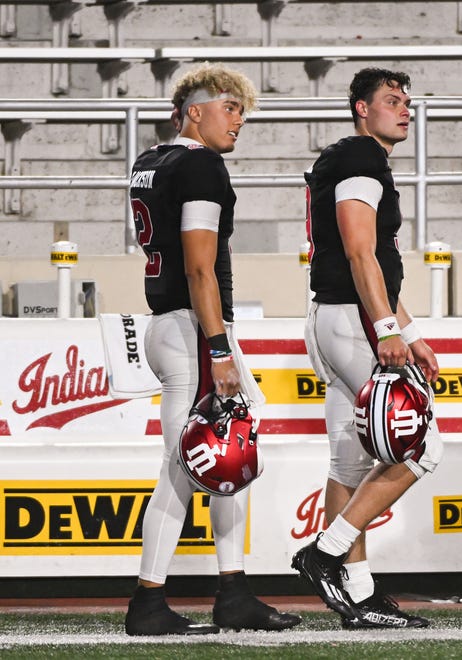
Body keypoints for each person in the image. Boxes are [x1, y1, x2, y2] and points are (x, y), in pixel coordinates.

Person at [125, 62, 301, 636]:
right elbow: (200, 267)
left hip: (171, 326)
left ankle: (233, 591)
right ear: (194, 111)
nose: (239, 121)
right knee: (184, 469)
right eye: (229, 108)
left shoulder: (152, 160)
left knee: (234, 459)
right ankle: (149, 602)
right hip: (194, 331)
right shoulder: (201, 164)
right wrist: (219, 348)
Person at [292, 67, 444, 628]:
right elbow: (361, 255)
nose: (404, 109)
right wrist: (386, 330)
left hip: (332, 317)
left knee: (349, 462)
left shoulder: (352, 157)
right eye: (390, 100)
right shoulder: (361, 158)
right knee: (422, 447)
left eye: (406, 101)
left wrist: (410, 331)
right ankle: (326, 553)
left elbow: (376, 263)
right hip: (351, 321)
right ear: (361, 108)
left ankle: (356, 593)